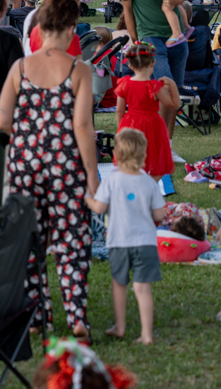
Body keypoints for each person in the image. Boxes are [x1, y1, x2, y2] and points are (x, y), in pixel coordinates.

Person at [0, 0, 97, 336]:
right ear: (70, 28)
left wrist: (27, 137)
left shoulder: (19, 68)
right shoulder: (79, 69)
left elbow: (2, 120)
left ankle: (37, 317)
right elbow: (83, 126)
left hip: (25, 164)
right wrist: (93, 175)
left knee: (29, 242)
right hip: (66, 165)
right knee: (72, 241)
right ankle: (77, 317)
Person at [84, 129, 165, 345]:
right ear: (143, 154)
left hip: (119, 242)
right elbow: (159, 214)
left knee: (119, 283)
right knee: (142, 288)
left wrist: (87, 199)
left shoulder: (112, 180)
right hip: (146, 242)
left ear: (116, 155)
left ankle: (120, 327)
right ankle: (147, 335)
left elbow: (99, 208)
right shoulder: (149, 181)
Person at [118, 0, 188, 149]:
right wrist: (135, 40)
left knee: (173, 96)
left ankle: (166, 145)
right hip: (149, 36)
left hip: (176, 35)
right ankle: (155, 141)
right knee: (164, 88)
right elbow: (127, 10)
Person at [113, 42, 177, 180]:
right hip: (153, 124)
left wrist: (120, 128)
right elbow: (173, 104)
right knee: (153, 157)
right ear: (152, 64)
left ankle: (134, 185)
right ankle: (151, 186)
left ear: (130, 65)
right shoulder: (154, 86)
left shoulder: (125, 84)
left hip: (131, 123)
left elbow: (119, 110)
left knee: (131, 156)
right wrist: (172, 84)